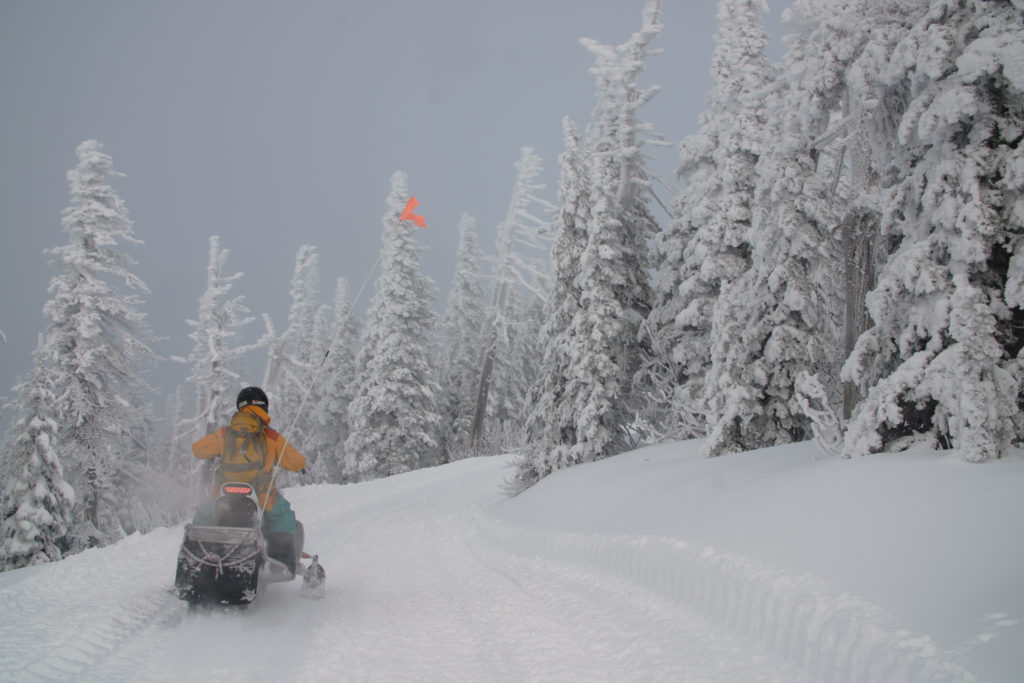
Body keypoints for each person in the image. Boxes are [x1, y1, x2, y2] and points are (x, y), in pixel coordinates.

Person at [192, 386, 307, 573]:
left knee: (205, 512)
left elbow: (198, 449)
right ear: (264, 406)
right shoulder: (270, 436)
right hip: (260, 495)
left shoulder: (225, 433)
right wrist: (301, 466)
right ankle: (282, 562)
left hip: (223, 493)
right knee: (283, 516)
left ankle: (197, 555)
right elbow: (296, 461)